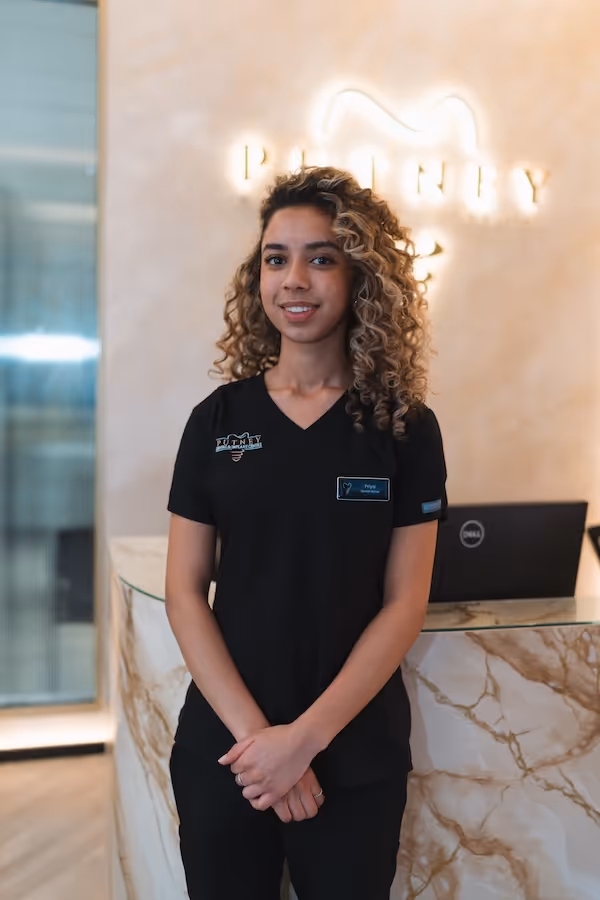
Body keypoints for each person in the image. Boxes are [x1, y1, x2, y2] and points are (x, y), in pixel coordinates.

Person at [165, 166, 448, 900]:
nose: (294, 279)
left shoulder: (404, 430)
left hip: (352, 756)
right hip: (226, 752)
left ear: (362, 278)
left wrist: (305, 741)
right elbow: (185, 591)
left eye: (321, 258)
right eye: (276, 258)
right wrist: (262, 746)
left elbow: (403, 604)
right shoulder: (217, 421)